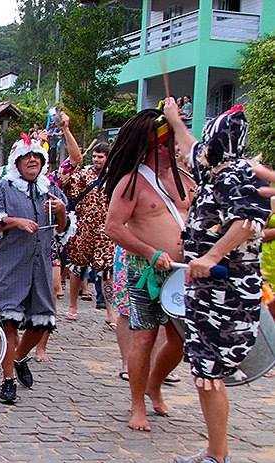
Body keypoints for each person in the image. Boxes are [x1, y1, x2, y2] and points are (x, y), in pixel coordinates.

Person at [164, 99, 270, 463]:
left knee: (210, 376)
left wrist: (211, 255)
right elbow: (188, 144)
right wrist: (175, 120)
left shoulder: (242, 176)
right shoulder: (213, 169)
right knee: (203, 375)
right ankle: (214, 448)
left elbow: (246, 223)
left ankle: (220, 460)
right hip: (206, 292)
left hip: (230, 295)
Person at [103, 108, 191, 431]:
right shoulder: (131, 183)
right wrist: (151, 253)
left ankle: (155, 382)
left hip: (182, 272)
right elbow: (113, 227)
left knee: (180, 340)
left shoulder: (182, 177)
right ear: (148, 148)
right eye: (163, 146)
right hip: (147, 271)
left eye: (170, 145)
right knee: (144, 338)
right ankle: (137, 403)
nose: (170, 151)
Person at [0, 134, 75, 404]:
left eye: (37, 157)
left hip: (39, 264)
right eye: (26, 157)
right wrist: (15, 221)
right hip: (9, 265)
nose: (32, 160)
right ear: (16, 162)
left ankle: (18, 358)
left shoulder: (50, 190)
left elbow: (63, 232)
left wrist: (62, 212)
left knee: (43, 323)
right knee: (8, 322)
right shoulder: (2, 189)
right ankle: (7, 379)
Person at [57, 114, 114, 326]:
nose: (97, 160)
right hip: (83, 227)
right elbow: (69, 178)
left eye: (101, 157)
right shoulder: (83, 174)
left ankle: (110, 311)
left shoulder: (115, 176)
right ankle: (72, 305)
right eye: (95, 156)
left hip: (106, 230)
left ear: (108, 157)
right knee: (76, 269)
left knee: (107, 272)